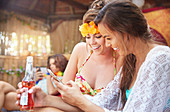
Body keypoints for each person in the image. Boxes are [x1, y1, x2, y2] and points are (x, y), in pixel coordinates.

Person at [16, 1, 169, 112]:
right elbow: (99, 102)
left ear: (125, 32)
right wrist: (45, 99)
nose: (108, 44)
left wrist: (79, 99)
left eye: (108, 37)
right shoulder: (132, 63)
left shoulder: (160, 58)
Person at [3, 0, 117, 111]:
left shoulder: (120, 59)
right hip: (69, 107)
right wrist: (45, 98)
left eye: (98, 36)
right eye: (87, 37)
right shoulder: (81, 49)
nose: (92, 42)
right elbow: (65, 95)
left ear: (109, 34)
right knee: (7, 93)